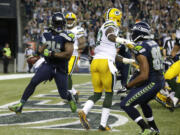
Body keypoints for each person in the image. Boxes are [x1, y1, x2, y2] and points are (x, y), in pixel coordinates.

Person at [78, 8, 135, 131]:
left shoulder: (103, 28)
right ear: (117, 17)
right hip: (106, 64)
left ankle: (84, 111)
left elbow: (113, 53)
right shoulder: (111, 25)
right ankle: (103, 125)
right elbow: (110, 35)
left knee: (97, 94)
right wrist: (125, 41)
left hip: (95, 63)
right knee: (109, 94)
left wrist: (129, 61)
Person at [8, 12, 77, 114]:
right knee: (33, 82)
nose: (60, 26)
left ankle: (70, 97)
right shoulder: (46, 34)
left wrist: (52, 53)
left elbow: (68, 54)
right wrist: (33, 54)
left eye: (61, 23)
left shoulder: (68, 35)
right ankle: (20, 105)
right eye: (58, 23)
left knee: (63, 94)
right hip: (48, 65)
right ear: (53, 23)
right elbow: (41, 50)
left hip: (61, 68)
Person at [119, 21, 165, 135]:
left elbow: (144, 75)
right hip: (158, 79)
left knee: (125, 103)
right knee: (143, 102)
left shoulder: (140, 47)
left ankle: (146, 129)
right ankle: (154, 129)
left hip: (152, 81)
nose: (132, 34)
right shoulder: (152, 43)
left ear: (139, 32)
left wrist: (127, 86)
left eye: (134, 32)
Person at [65, 12, 86, 103]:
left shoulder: (78, 29)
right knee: (61, 75)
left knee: (68, 74)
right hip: (63, 55)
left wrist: (74, 48)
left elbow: (83, 44)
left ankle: (69, 94)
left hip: (72, 55)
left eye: (71, 20)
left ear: (75, 20)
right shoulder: (63, 29)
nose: (69, 21)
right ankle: (74, 92)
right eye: (68, 20)